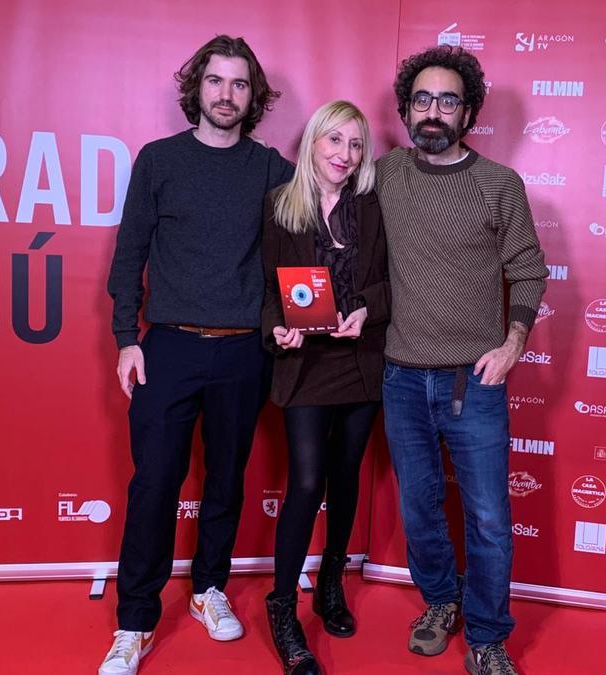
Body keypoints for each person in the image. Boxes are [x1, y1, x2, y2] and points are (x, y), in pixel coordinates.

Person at [99, 35, 293, 675]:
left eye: (240, 84)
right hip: (169, 349)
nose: (226, 95)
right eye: (216, 82)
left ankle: (210, 588)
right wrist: (127, 337)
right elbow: (129, 254)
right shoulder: (158, 161)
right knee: (154, 484)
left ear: (253, 96)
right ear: (197, 88)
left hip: (243, 353)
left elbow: (314, 236)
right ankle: (135, 622)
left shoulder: (269, 169)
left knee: (226, 483)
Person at [376, 46, 548, 675]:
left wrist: (512, 346)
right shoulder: (386, 174)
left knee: (488, 518)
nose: (434, 111)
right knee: (419, 507)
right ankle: (441, 602)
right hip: (399, 376)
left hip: (474, 381)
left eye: (448, 100)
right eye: (423, 99)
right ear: (405, 109)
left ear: (468, 109)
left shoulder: (500, 185)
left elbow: (528, 274)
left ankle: (487, 636)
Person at [260, 100, 389, 675]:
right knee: (308, 482)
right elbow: (267, 291)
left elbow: (394, 283)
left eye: (356, 145)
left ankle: (332, 581)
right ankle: (283, 606)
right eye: (334, 141)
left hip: (360, 362)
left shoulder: (373, 207)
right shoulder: (279, 208)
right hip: (307, 367)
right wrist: (277, 329)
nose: (345, 154)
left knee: (345, 476)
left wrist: (365, 311)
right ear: (312, 143)